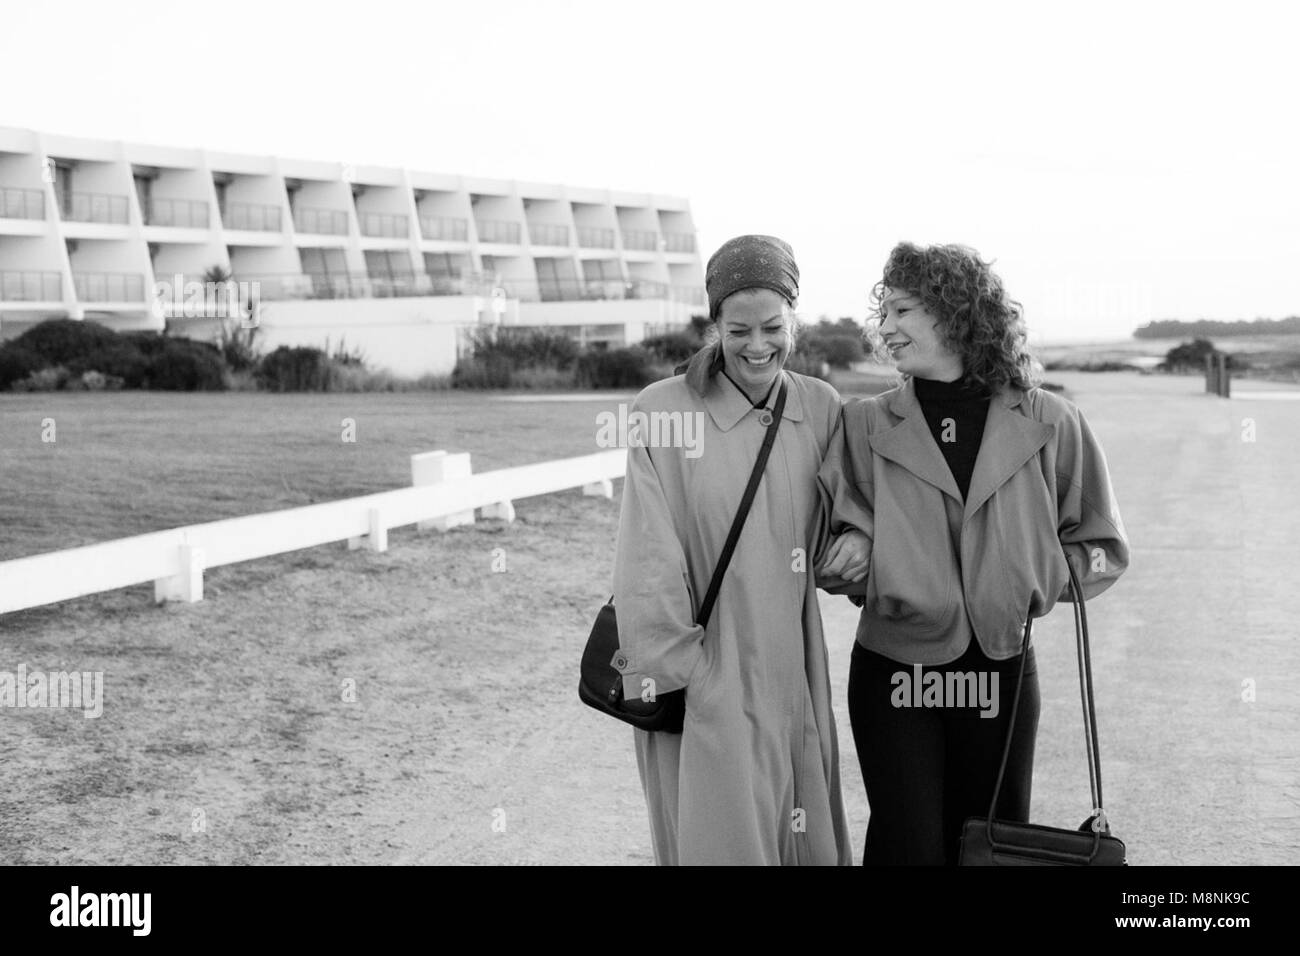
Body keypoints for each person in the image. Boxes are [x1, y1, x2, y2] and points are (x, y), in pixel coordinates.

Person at [817, 241, 1130, 865]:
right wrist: (857, 548)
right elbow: (826, 538)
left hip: (1002, 669)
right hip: (895, 672)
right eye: (887, 312)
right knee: (906, 848)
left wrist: (1021, 579)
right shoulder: (863, 424)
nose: (887, 327)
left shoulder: (1053, 422)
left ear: (956, 314)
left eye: (904, 310)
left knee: (992, 847)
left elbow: (1101, 548)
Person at [610, 235, 854, 865]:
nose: (756, 345)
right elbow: (646, 560)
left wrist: (860, 541)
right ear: (714, 324)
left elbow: (839, 524)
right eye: (738, 328)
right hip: (702, 675)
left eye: (773, 327)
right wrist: (692, 674)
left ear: (794, 322)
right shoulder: (661, 411)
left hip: (792, 675)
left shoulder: (820, 407)